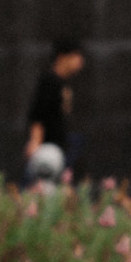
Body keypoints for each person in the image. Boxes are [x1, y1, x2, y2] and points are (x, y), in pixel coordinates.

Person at [22, 42, 87, 189]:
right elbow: (37, 114)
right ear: (62, 57)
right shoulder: (49, 82)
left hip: (59, 146)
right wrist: (35, 141)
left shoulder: (63, 84)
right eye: (75, 56)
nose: (80, 62)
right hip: (47, 151)